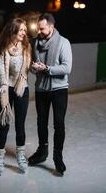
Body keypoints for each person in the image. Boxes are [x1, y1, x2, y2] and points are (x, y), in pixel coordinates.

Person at [28, 13, 72, 176]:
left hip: (59, 90)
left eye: (42, 28)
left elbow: (67, 68)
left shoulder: (63, 43)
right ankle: (42, 152)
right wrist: (34, 67)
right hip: (41, 90)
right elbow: (32, 67)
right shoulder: (35, 43)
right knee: (41, 123)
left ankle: (57, 156)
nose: (39, 31)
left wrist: (47, 68)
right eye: (38, 28)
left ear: (51, 27)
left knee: (59, 124)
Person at [0, 17, 32, 176]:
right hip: (6, 89)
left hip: (22, 89)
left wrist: (34, 67)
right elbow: (1, 72)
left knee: (20, 125)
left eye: (24, 30)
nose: (24, 32)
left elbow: (28, 68)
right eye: (21, 29)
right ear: (13, 30)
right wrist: (2, 85)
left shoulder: (27, 47)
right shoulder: (3, 49)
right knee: (4, 125)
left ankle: (20, 155)